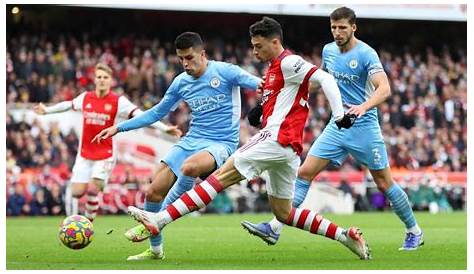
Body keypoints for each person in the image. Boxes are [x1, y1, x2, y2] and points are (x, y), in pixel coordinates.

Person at [125, 17, 371, 260]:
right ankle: (344, 237)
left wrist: (339, 115)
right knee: (284, 213)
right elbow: (289, 98)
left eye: (258, 46)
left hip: (275, 138)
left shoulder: (289, 62)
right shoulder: (275, 70)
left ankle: (159, 219)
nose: (254, 51)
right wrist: (261, 110)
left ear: (275, 42)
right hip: (289, 149)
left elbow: (325, 78)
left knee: (218, 178)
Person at [242, 7, 424, 251]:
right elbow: (321, 81)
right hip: (337, 125)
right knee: (305, 173)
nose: (337, 33)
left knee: (383, 183)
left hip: (364, 126)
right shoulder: (328, 51)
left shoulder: (366, 54)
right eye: (333, 28)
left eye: (342, 28)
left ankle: (414, 231)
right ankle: (275, 228)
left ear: (353, 28)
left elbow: (384, 88)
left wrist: (362, 107)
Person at [92, 32, 262, 261]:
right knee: (153, 190)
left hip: (222, 143)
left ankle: (157, 219)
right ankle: (155, 250)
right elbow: (156, 112)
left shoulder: (225, 71)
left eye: (190, 58)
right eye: (181, 59)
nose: (185, 64)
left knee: (190, 167)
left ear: (202, 54)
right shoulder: (181, 82)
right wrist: (119, 128)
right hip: (192, 140)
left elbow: (260, 84)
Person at [33, 63, 182, 222]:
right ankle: (91, 202)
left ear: (111, 81)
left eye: (105, 77)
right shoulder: (85, 97)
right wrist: (47, 110)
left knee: (93, 188)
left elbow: (141, 115)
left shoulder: (119, 102)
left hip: (105, 155)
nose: (102, 80)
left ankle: (88, 223)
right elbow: (68, 105)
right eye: (99, 77)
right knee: (77, 192)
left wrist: (164, 128)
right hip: (84, 154)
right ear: (95, 79)